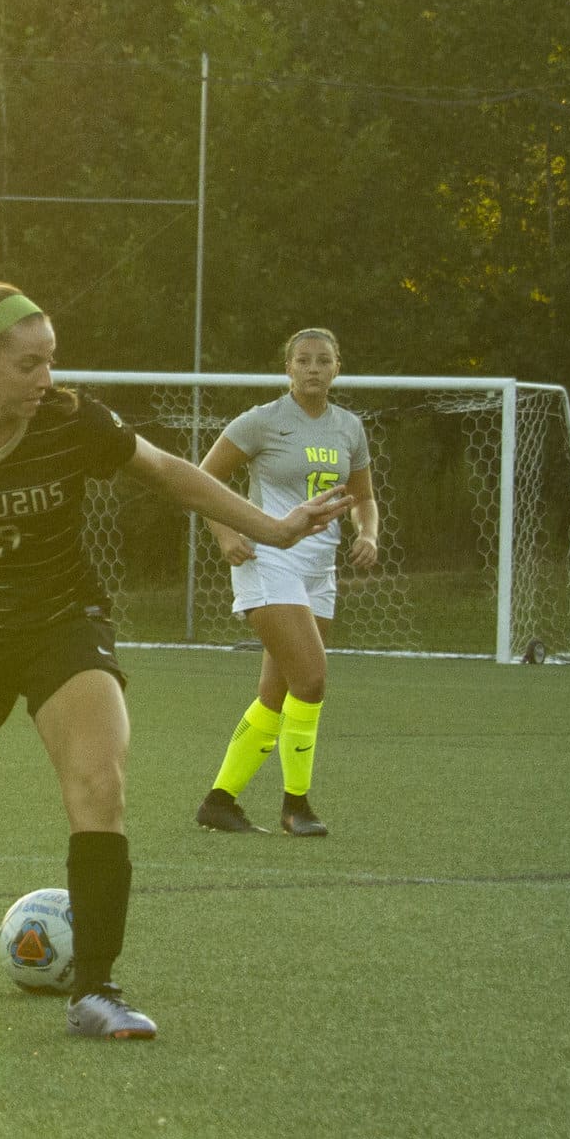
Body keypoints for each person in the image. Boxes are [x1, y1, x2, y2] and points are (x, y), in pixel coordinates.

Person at [0, 284, 353, 1042]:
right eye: (29, 364)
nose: (47, 378)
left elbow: (168, 471)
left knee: (99, 782)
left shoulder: (72, 420)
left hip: (63, 622)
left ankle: (95, 990)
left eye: (51, 360)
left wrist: (274, 530)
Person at [192, 326, 378, 839]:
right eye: (303, 361)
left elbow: (364, 496)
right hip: (268, 559)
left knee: (279, 691)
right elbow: (202, 480)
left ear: (337, 367)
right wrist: (226, 533)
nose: (313, 368)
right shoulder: (263, 422)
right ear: (288, 370)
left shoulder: (349, 428)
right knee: (312, 679)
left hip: (319, 571)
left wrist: (369, 533)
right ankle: (296, 805)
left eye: (323, 360)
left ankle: (219, 801)